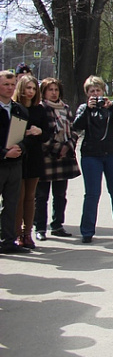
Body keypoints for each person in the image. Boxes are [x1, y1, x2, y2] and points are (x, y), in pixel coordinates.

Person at [72, 75, 113, 243]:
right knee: (92, 193)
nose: (96, 94)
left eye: (98, 90)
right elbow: (76, 126)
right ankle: (87, 230)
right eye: (92, 91)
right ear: (87, 94)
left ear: (103, 91)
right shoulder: (84, 108)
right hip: (91, 155)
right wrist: (87, 110)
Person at [34, 77, 79, 240]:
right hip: (47, 156)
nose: (54, 93)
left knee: (60, 194)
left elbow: (74, 129)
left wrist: (69, 145)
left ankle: (57, 224)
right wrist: (57, 148)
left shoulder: (66, 108)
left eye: (56, 90)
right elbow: (41, 134)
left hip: (65, 156)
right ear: (44, 92)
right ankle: (40, 228)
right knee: (41, 196)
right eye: (50, 90)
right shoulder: (41, 108)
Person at [12, 75, 51, 248]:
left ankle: (28, 233)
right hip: (18, 156)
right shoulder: (16, 109)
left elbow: (47, 134)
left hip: (34, 156)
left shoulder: (39, 110)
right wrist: (25, 135)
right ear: (20, 89)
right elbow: (12, 135)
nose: (30, 92)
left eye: (34, 89)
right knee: (18, 197)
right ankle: (16, 233)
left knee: (30, 197)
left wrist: (39, 131)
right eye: (27, 88)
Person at [0, 70, 30, 253]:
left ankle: (8, 241)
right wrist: (4, 153)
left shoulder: (19, 109)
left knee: (12, 204)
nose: (10, 88)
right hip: (1, 161)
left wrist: (21, 148)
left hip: (15, 165)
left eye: (12, 85)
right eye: (5, 85)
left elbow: (26, 136)